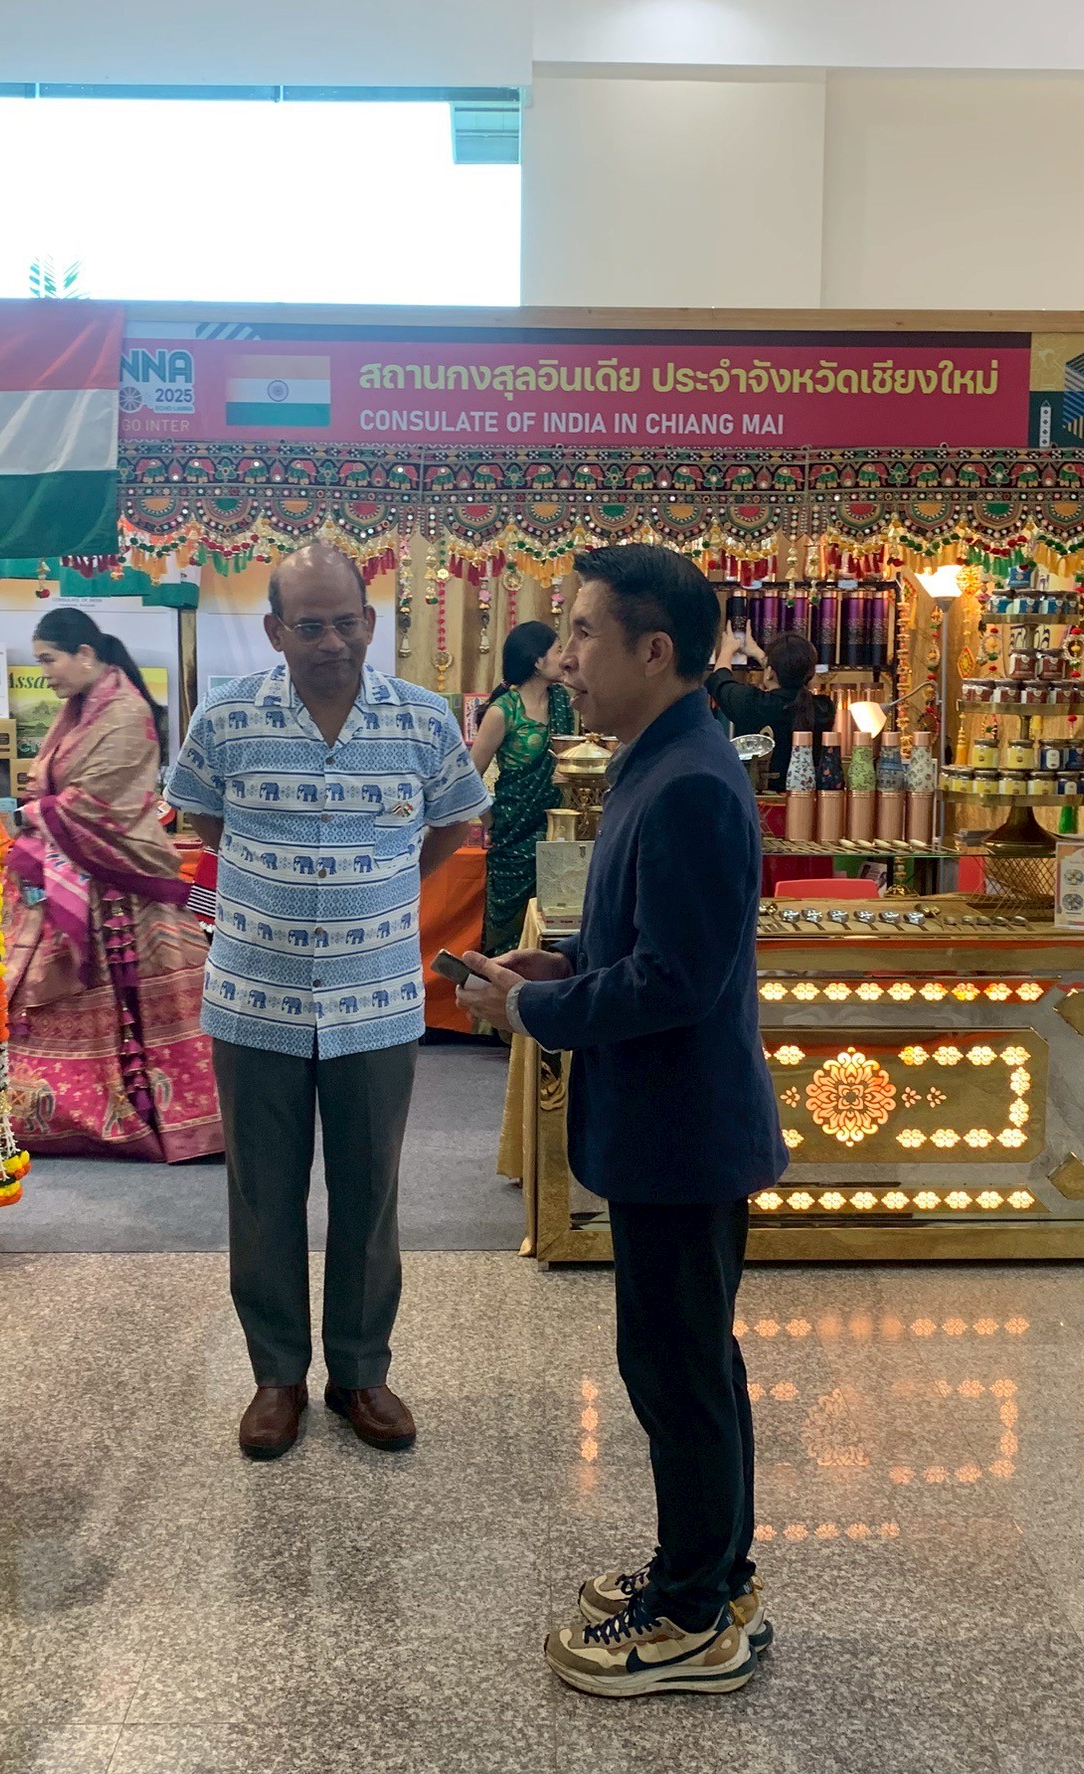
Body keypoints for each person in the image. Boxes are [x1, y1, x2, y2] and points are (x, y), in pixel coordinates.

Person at [456, 543, 783, 1700]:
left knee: (679, 1372)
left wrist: (533, 1008)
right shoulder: (664, 756)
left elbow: (677, 982)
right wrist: (558, 963)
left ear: (656, 650)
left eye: (584, 633)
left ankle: (691, 1617)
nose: (563, 658)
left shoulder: (690, 778)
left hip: (681, 1131)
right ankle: (713, 1573)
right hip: (668, 1125)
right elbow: (639, 945)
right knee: (688, 1363)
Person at [164, 542, 488, 1460]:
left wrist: (383, 882)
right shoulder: (227, 715)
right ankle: (277, 1377)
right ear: (275, 631)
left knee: (369, 1191)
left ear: (370, 622)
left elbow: (453, 821)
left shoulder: (421, 719)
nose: (332, 642)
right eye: (310, 627)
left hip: (375, 997)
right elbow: (203, 817)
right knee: (261, 1193)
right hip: (254, 997)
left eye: (347, 623)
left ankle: (359, 1372)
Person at [4, 607, 222, 1163]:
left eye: (49, 660)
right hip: (76, 871)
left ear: (85, 655)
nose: (45, 673)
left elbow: (101, 803)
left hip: (125, 880)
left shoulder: (125, 712)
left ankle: (170, 1116)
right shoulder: (78, 710)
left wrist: (32, 816)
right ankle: (63, 1108)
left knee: (148, 1000)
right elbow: (54, 785)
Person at [468, 620, 576, 955]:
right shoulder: (503, 712)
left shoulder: (564, 703)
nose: (565, 657)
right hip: (512, 838)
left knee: (555, 929)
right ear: (537, 661)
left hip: (557, 835)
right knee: (508, 934)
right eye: (558, 650)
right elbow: (468, 779)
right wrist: (492, 823)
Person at [705, 627, 823, 790]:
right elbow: (789, 673)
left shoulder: (754, 703)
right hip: (808, 799)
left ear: (770, 673)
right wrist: (757, 652)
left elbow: (720, 680)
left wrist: (727, 649)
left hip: (758, 796)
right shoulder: (822, 708)